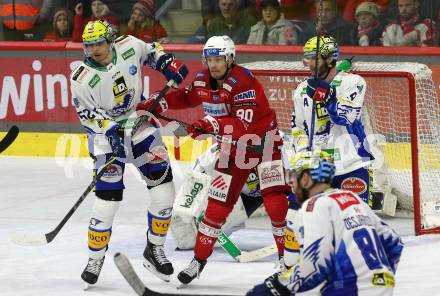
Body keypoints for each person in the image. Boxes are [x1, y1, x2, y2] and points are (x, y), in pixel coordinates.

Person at [136, 35, 290, 285]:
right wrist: (160, 102)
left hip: (264, 145)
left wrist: (210, 123)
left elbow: (244, 124)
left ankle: (287, 260)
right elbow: (187, 98)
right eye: (210, 59)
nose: (214, 64)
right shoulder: (202, 79)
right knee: (217, 207)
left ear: (230, 58)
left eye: (219, 59)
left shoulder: (244, 81)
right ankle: (198, 261)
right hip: (232, 149)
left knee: (275, 201)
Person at [70, 19, 188, 285]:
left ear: (110, 41)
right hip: (105, 137)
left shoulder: (129, 46)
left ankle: (154, 250)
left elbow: (153, 51)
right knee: (107, 201)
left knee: (164, 189)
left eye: (99, 44)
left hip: (139, 124)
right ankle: (95, 258)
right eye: (89, 46)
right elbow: (87, 115)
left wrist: (168, 65)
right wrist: (109, 130)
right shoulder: (81, 78)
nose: (94, 50)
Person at [246, 149, 404, 296]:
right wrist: (380, 276)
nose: (291, 185)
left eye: (293, 177)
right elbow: (395, 242)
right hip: (383, 286)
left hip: (350, 288)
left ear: (306, 179)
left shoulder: (314, 206)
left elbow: (314, 264)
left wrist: (278, 286)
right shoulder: (352, 198)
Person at [291, 35, 374, 206]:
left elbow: (346, 117)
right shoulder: (301, 90)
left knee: (354, 225)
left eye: (315, 58)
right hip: (316, 168)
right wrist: (302, 153)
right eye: (308, 58)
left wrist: (328, 97)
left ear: (330, 59)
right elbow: (298, 128)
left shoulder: (353, 82)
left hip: (351, 165)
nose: (310, 63)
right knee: (302, 222)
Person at [188, 0, 257, 44]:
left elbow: (251, 5)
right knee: (193, 43)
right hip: (213, 21)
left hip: (238, 19)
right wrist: (208, 18)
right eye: (224, 5)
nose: (226, 8)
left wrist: (240, 14)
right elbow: (206, 7)